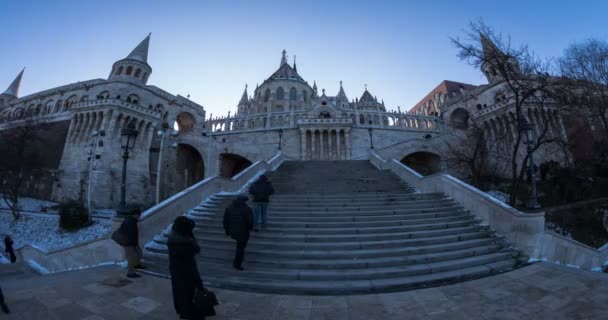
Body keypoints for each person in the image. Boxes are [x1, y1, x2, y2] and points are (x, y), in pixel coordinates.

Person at [168, 216, 203, 320]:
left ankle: (180, 308)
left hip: (175, 269)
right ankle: (185, 312)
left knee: (178, 290)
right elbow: (196, 250)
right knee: (186, 292)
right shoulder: (185, 243)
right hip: (186, 270)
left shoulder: (173, 236)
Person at [223, 194, 253, 271]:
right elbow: (250, 222)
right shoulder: (247, 209)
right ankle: (237, 264)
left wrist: (227, 230)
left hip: (233, 230)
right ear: (244, 201)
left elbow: (225, 221)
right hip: (243, 231)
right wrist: (250, 228)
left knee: (240, 246)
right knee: (241, 247)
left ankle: (238, 261)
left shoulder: (229, 208)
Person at [118, 207, 143, 278]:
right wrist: (134, 244)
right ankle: (130, 272)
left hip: (130, 242)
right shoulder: (130, 222)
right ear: (135, 214)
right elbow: (130, 234)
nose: (139, 217)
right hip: (129, 243)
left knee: (139, 253)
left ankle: (137, 264)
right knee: (131, 257)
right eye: (138, 215)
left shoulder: (131, 220)